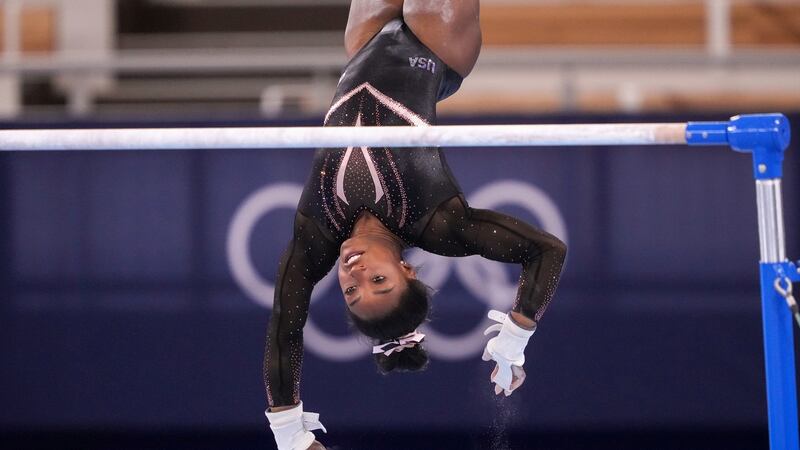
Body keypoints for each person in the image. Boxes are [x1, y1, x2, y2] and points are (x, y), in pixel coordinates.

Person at [264, 1, 567, 449]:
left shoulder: (316, 237)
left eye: (350, 291)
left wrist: (289, 433)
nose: (356, 273)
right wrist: (516, 334)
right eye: (379, 282)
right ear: (407, 271)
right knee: (426, 10)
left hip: (366, 42)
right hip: (436, 47)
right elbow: (547, 250)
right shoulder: (435, 223)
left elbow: (285, 326)